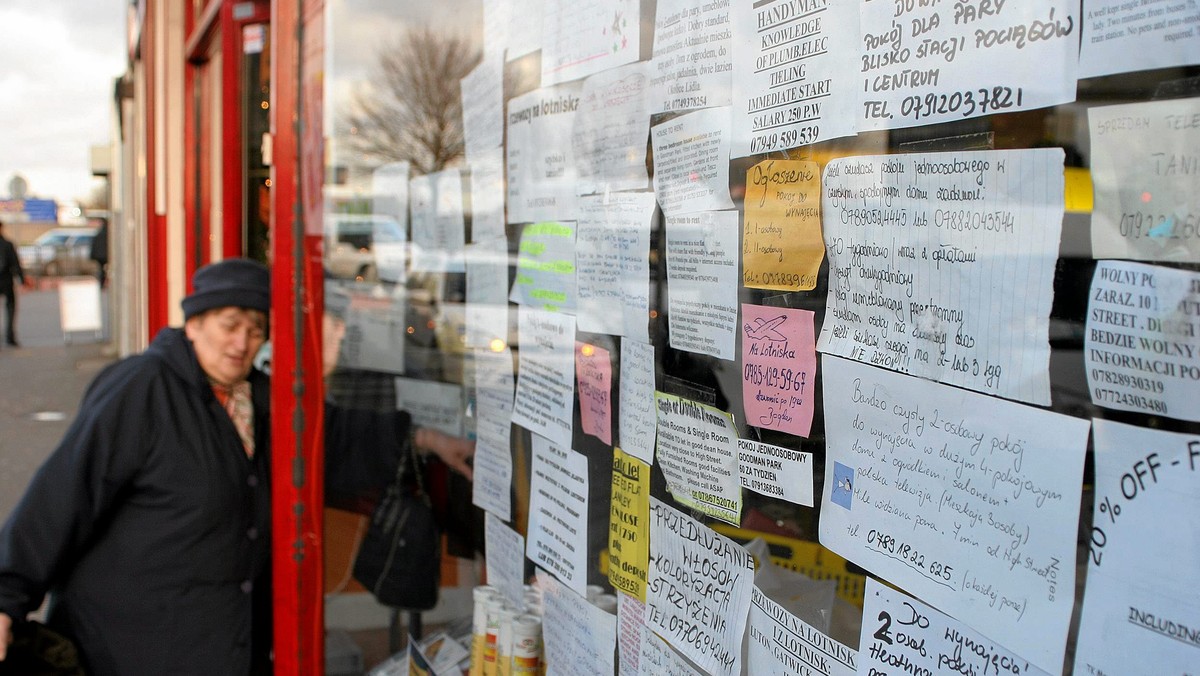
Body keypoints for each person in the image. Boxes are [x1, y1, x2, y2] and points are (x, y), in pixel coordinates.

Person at [0, 258, 474, 675]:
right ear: (194, 324)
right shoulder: (142, 389)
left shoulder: (258, 398)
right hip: (131, 642)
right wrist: (7, 598)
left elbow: (332, 434)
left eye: (255, 329)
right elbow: (63, 493)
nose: (241, 342)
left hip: (223, 643)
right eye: (229, 325)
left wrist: (426, 438)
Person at [0, 221, 29, 347]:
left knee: (10, 306)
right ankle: (9, 336)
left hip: (6, 279)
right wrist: (22, 280)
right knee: (10, 307)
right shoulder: (7, 244)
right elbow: (15, 264)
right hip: (6, 279)